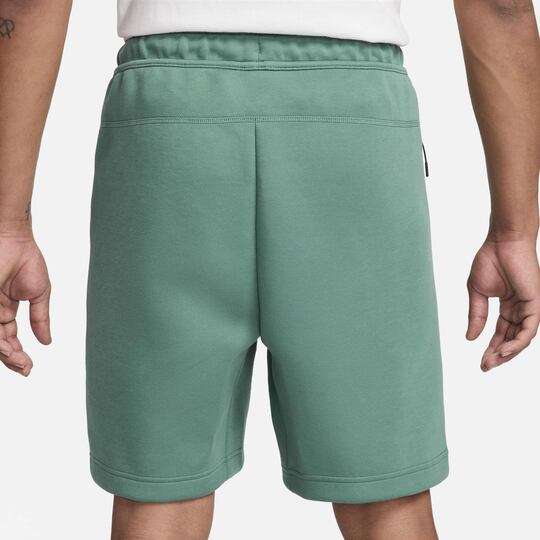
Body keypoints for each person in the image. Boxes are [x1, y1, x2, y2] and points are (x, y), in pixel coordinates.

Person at [0, 0, 538, 538]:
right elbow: (501, 6)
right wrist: (514, 231)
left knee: (158, 496)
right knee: (386, 499)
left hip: (169, 125)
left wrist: (7, 225)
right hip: (352, 123)